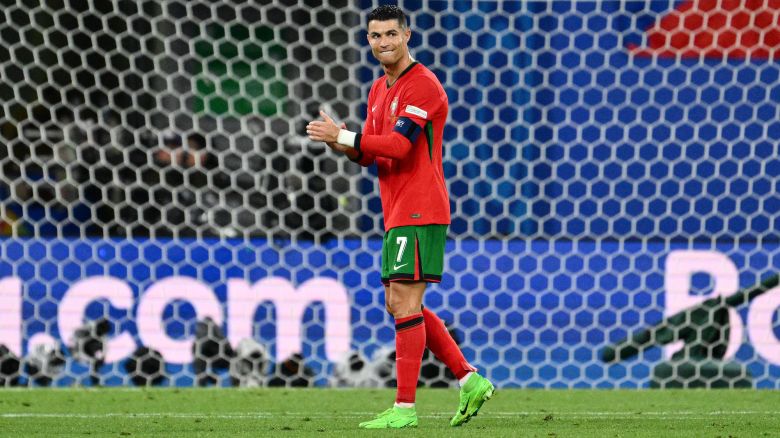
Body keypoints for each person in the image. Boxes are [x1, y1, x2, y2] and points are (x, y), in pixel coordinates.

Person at [307, 5, 494, 429]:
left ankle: (405, 408)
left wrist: (347, 136)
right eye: (376, 36)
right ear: (368, 40)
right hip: (396, 209)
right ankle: (469, 379)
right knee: (398, 303)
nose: (384, 42)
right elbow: (368, 154)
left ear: (407, 35)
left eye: (392, 34)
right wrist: (340, 143)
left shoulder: (424, 86)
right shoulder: (377, 90)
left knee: (406, 302)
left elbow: (398, 146)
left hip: (421, 206)